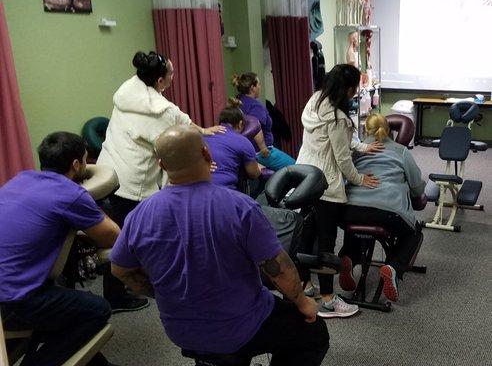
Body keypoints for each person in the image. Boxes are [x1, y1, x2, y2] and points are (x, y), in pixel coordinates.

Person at [110, 125, 329, 366]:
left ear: (161, 165)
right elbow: (277, 267)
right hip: (241, 327)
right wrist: (302, 302)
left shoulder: (139, 215)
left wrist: (162, 293)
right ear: (207, 154)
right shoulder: (239, 207)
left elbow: (120, 270)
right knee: (313, 334)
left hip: (180, 331)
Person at [97, 51, 225, 311]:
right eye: (171, 74)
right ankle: (118, 296)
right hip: (131, 181)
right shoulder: (159, 111)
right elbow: (171, 148)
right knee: (128, 240)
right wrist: (199, 164)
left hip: (108, 168)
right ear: (159, 81)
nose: (174, 77)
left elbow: (178, 117)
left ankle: (126, 286)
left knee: (120, 237)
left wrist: (201, 129)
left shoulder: (130, 90)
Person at [0, 132, 119, 366]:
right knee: (97, 310)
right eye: (86, 159)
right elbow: (113, 237)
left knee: (67, 309)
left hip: (5, 289)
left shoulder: (20, 179)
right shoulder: (71, 194)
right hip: (17, 299)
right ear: (76, 164)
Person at [296, 64, 381, 318]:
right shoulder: (338, 119)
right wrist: (359, 179)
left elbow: (337, 138)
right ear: (349, 89)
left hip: (304, 176)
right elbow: (342, 158)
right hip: (325, 184)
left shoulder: (316, 101)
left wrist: (362, 147)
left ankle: (305, 284)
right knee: (326, 242)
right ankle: (329, 300)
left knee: (305, 234)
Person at [340, 113, 426, 302]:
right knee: (414, 233)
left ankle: (348, 257)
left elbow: (346, 174)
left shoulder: (357, 150)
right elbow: (417, 186)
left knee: (355, 222)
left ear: (365, 130)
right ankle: (393, 267)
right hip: (387, 211)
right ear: (389, 130)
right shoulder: (401, 151)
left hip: (349, 210)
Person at [232, 72, 295, 171]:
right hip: (260, 153)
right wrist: (263, 149)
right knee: (296, 167)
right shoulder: (255, 106)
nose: (260, 86)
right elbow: (256, 129)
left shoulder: (238, 101)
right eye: (259, 84)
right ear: (253, 87)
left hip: (244, 151)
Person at [204, 99, 261, 190]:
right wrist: (259, 167)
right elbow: (254, 174)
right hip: (224, 192)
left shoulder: (202, 136)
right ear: (240, 124)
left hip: (195, 191)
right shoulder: (243, 141)